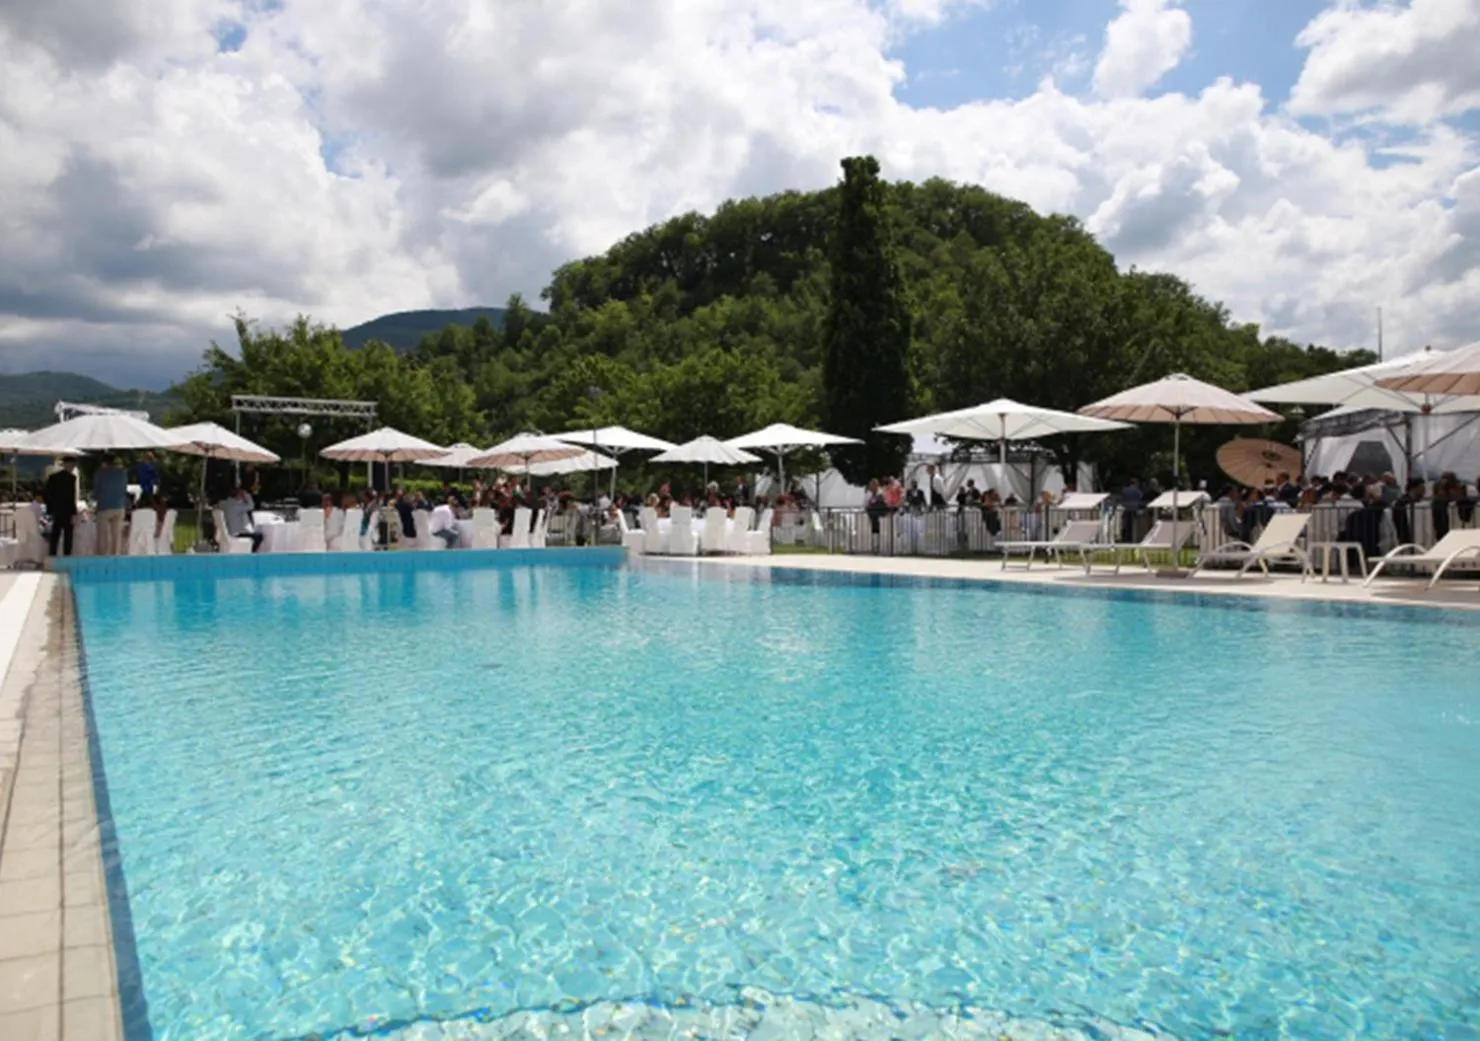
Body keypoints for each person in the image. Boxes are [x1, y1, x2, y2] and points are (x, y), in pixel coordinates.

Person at [93, 453, 129, 555]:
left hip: (104, 506)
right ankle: (115, 555)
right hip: (120, 506)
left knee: (102, 535)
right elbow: (124, 488)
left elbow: (96, 492)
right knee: (116, 535)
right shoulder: (122, 472)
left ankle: (102, 556)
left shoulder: (100, 473)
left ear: (104, 462)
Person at [43, 458, 79, 557]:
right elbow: (71, 496)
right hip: (67, 510)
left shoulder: (53, 477)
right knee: (68, 534)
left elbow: (46, 493)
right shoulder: (71, 478)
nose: (73, 468)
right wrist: (74, 512)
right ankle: (67, 554)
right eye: (72, 465)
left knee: (55, 533)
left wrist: (50, 506)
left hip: (56, 509)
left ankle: (52, 553)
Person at [221, 486, 264, 552]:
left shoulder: (226, 504)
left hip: (229, 531)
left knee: (253, 534)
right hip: (236, 532)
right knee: (259, 536)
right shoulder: (237, 506)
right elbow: (251, 506)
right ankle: (252, 553)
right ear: (238, 495)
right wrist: (247, 495)